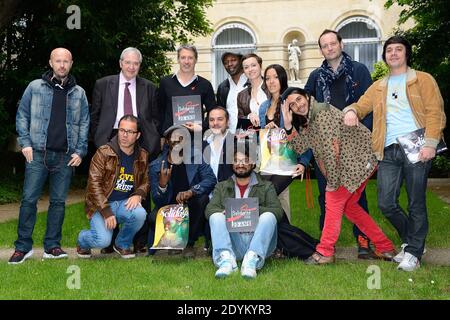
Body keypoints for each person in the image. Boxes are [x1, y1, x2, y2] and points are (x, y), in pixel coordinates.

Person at [343, 36, 446, 271]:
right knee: (386, 202)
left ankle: (414, 252)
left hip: (417, 146)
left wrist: (430, 143)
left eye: (398, 49)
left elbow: (435, 112)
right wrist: (351, 111)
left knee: (415, 202)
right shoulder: (380, 85)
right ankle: (414, 242)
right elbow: (361, 105)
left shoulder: (423, 79)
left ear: (406, 54)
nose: (394, 54)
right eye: (389, 50)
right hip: (388, 149)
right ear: (385, 56)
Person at [281, 87, 396, 265]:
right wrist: (288, 126)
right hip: (353, 164)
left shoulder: (321, 113)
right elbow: (300, 147)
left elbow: (330, 150)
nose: (298, 105)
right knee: (350, 207)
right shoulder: (310, 119)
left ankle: (325, 251)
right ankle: (385, 247)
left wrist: (332, 183)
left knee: (333, 201)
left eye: (299, 99)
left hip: (357, 162)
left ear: (307, 96)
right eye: (292, 105)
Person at [9, 48, 89, 264]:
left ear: (71, 63)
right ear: (51, 63)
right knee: (28, 200)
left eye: (66, 61)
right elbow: (22, 115)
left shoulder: (79, 93)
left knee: (58, 203)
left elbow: (84, 123)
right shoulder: (35, 87)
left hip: (65, 157)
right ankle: (22, 247)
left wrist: (80, 151)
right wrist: (24, 143)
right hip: (37, 154)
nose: (62, 65)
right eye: (58, 61)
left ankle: (52, 246)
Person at [304, 29, 374, 259]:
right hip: (326, 148)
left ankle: (363, 240)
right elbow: (306, 107)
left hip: (354, 144)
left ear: (341, 44)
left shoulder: (359, 71)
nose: (330, 48)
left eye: (333, 43)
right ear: (321, 49)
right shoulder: (316, 77)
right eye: (325, 45)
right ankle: (327, 245)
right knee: (327, 195)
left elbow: (369, 104)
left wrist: (367, 139)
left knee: (355, 196)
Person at [205, 139, 283, 279]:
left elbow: (277, 211)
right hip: (233, 242)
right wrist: (226, 212)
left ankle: (252, 260)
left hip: (258, 239)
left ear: (253, 163)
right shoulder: (221, 186)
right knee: (216, 216)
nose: (240, 164)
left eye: (245, 160)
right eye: (236, 160)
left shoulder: (266, 186)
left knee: (269, 216)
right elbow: (209, 210)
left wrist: (252, 210)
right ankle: (226, 261)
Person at [77, 115, 148, 259]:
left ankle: (122, 243)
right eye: (121, 130)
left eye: (129, 132)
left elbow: (146, 180)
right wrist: (106, 211)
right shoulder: (104, 152)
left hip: (124, 203)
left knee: (140, 214)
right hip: (101, 204)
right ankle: (82, 241)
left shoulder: (142, 155)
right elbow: (93, 185)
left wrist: (138, 193)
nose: (124, 135)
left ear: (138, 135)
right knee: (102, 241)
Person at [148, 125, 217, 258]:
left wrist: (192, 191)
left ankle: (189, 244)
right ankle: (172, 242)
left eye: (181, 138)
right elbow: (158, 200)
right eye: (173, 139)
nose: (177, 143)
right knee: (152, 217)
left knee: (202, 200)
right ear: (167, 141)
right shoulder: (156, 166)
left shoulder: (196, 157)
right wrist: (162, 185)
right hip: (168, 208)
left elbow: (210, 179)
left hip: (189, 206)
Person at [258, 64, 312, 220]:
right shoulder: (264, 107)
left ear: (282, 78)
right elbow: (263, 137)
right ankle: (281, 240)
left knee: (271, 195)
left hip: (288, 160)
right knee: (276, 200)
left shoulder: (291, 103)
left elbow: (305, 134)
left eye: (275, 77)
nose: (271, 81)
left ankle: (287, 239)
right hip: (268, 161)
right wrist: (267, 129)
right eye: (267, 78)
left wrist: (303, 162)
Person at [90, 47, 160, 156]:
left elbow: (156, 118)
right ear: (120, 63)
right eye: (128, 62)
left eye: (136, 63)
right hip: (110, 138)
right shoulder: (103, 84)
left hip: (141, 141)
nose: (131, 67)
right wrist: (99, 138)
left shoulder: (150, 87)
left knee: (138, 173)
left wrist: (152, 139)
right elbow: (95, 117)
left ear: (139, 66)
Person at [159, 44, 216, 135]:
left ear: (196, 60)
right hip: (171, 139)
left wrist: (202, 127)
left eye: (190, 58)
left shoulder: (205, 85)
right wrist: (161, 136)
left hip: (196, 139)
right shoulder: (165, 82)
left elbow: (213, 112)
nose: (186, 61)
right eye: (183, 57)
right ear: (178, 60)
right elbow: (160, 111)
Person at [216, 52, 247, 133]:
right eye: (226, 62)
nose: (229, 64)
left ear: (241, 61)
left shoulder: (251, 82)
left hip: (252, 135)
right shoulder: (222, 87)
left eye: (233, 60)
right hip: (230, 136)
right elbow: (221, 112)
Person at [237, 53, 270, 127]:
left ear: (260, 66)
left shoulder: (272, 87)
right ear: (244, 71)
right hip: (253, 135)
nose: (250, 69)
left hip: (274, 134)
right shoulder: (241, 95)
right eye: (246, 67)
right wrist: (249, 116)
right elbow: (239, 118)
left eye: (253, 65)